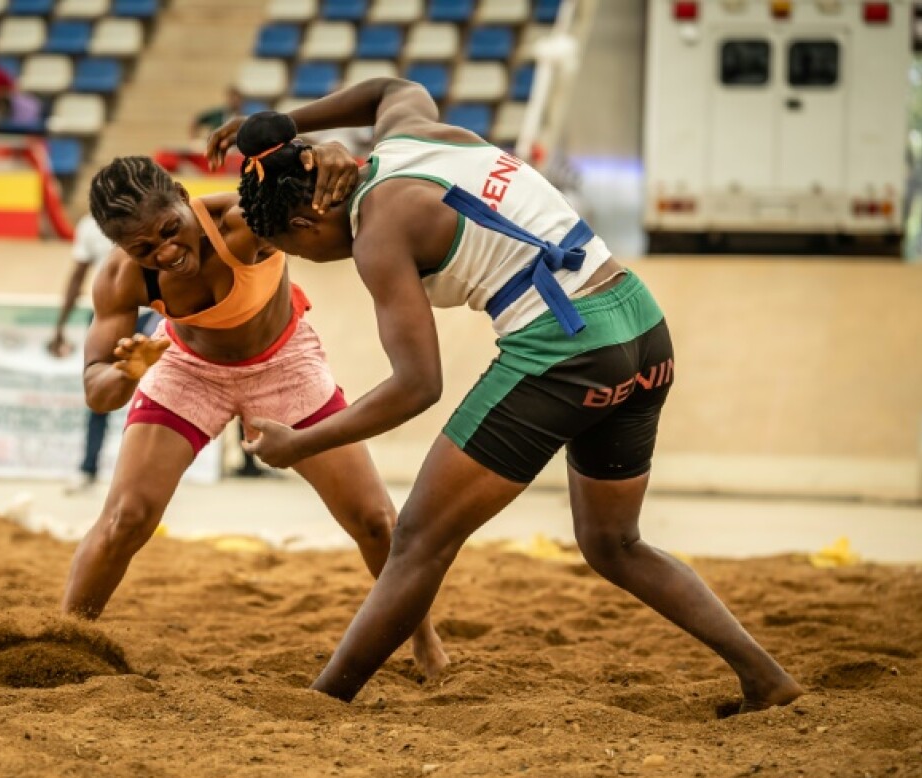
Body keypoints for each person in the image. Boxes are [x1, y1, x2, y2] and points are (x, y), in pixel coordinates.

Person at [209, 79, 803, 712]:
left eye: (293, 247)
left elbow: (417, 386)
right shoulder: (409, 133)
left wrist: (301, 442)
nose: (306, 257)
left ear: (308, 220)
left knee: (417, 539)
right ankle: (765, 679)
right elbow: (392, 87)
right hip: (642, 326)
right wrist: (289, 129)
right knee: (613, 543)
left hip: (566, 350)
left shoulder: (377, 234)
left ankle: (327, 698)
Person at [60, 151, 449, 680]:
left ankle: (423, 639)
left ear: (182, 194)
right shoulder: (121, 278)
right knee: (126, 517)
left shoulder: (244, 223)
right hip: (185, 367)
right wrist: (127, 373)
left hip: (283, 363)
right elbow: (96, 393)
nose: (167, 252)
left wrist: (329, 153)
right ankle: (65, 640)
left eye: (171, 230)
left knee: (376, 521)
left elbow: (325, 189)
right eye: (144, 248)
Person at [49, 213, 155, 492]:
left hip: (149, 314)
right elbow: (78, 276)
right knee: (99, 391)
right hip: (107, 315)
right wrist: (60, 325)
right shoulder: (89, 225)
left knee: (154, 395)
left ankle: (144, 475)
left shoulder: (152, 218)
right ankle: (88, 468)